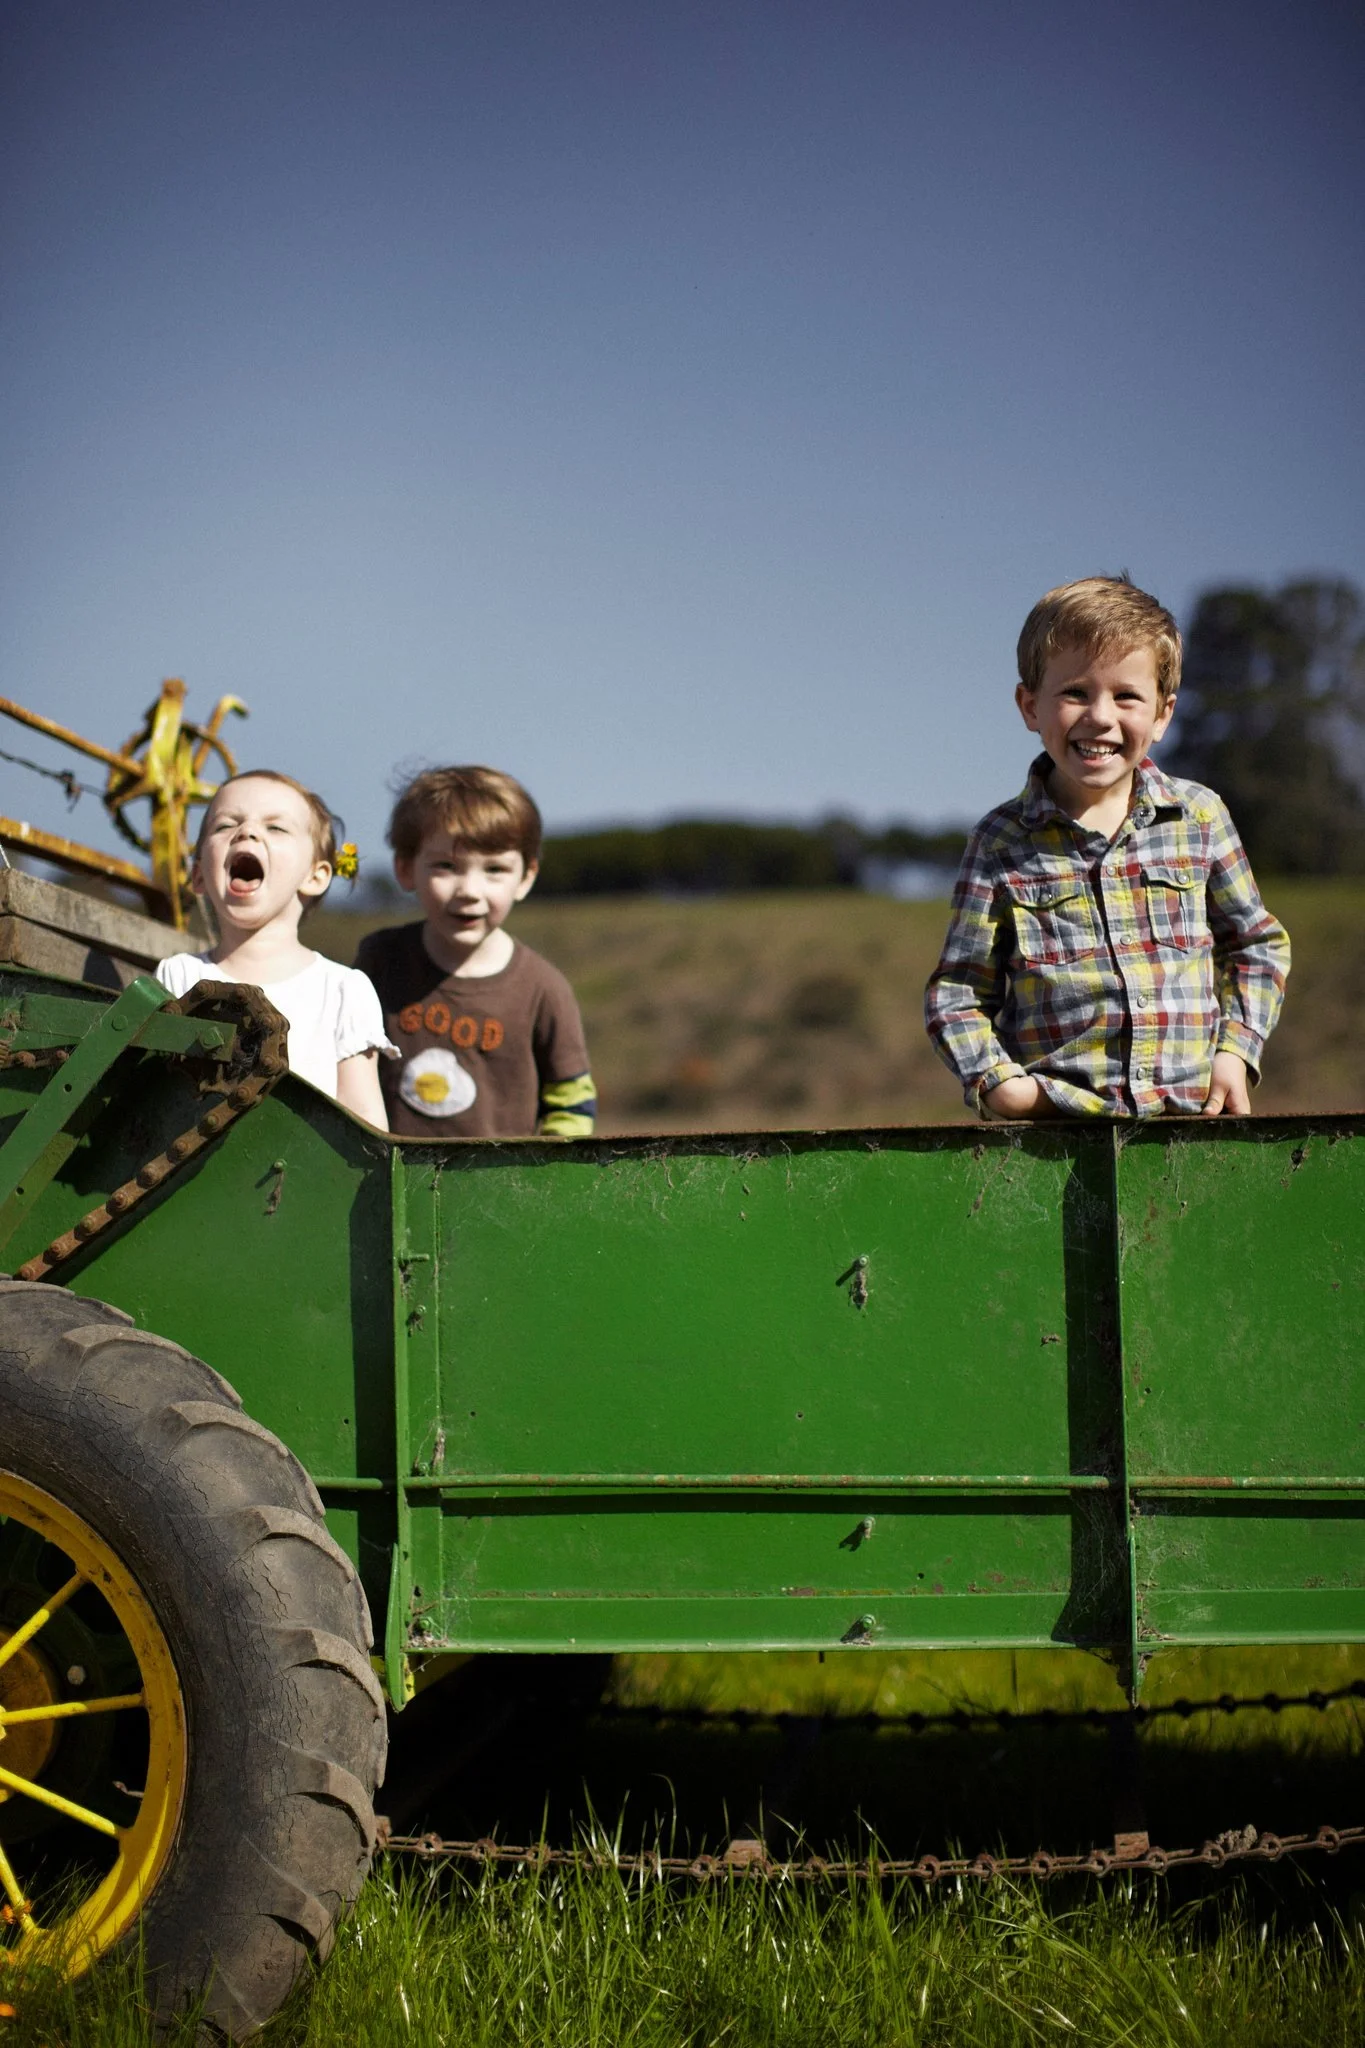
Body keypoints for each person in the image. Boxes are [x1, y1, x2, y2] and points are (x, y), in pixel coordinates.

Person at [924, 575, 1291, 1120]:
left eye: (1126, 696)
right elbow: (957, 994)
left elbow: (1256, 946)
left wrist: (1235, 1053)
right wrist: (999, 1083)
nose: (1100, 716)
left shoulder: (1200, 817)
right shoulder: (999, 842)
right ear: (1030, 707)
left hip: (1187, 1128)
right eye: (1075, 692)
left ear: (1163, 714)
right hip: (1055, 1134)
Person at [355, 765, 596, 1138]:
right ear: (405, 869)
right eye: (446, 866)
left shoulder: (543, 989)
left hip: (498, 1191)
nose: (469, 889)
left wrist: (549, 1178)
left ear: (526, 877)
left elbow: (571, 1101)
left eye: (494, 869)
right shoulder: (380, 961)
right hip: (386, 1186)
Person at [157, 770, 394, 1126]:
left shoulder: (345, 991)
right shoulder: (180, 975)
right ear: (199, 876)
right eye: (225, 826)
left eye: (276, 828)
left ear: (316, 876)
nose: (247, 832)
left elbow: (365, 1121)